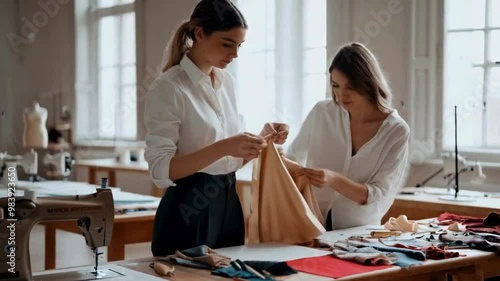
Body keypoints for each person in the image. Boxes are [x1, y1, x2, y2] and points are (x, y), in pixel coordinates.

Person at [144, 0, 289, 257]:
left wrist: (259, 140)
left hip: (229, 203)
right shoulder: (169, 88)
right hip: (189, 207)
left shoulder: (226, 82)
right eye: (227, 43)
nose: (235, 54)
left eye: (239, 45)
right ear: (199, 34)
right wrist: (226, 146)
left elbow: (228, 161)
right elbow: (160, 169)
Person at [283, 42, 410, 230]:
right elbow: (291, 158)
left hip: (357, 234)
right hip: (309, 226)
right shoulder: (321, 112)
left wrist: (333, 180)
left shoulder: (396, 131)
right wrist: (272, 147)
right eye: (335, 85)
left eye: (350, 87)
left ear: (368, 82)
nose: (341, 95)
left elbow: (378, 193)